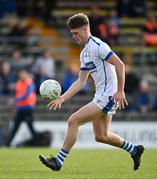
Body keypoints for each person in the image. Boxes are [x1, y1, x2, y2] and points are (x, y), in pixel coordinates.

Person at [39, 13, 145, 171]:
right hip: (101, 95)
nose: (74, 36)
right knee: (101, 136)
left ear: (85, 29)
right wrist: (62, 98)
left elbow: (120, 65)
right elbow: (80, 81)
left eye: (76, 33)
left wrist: (120, 91)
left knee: (73, 121)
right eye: (72, 34)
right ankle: (134, 150)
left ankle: (58, 162)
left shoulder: (98, 45)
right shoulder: (84, 53)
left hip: (108, 95)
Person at [6, 69, 37, 146]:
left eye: (23, 74)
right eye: (20, 74)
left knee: (31, 127)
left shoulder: (29, 82)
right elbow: (17, 94)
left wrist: (15, 99)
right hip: (20, 108)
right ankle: (8, 144)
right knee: (15, 128)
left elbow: (27, 94)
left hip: (28, 108)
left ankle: (37, 143)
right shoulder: (18, 83)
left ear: (26, 74)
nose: (21, 76)